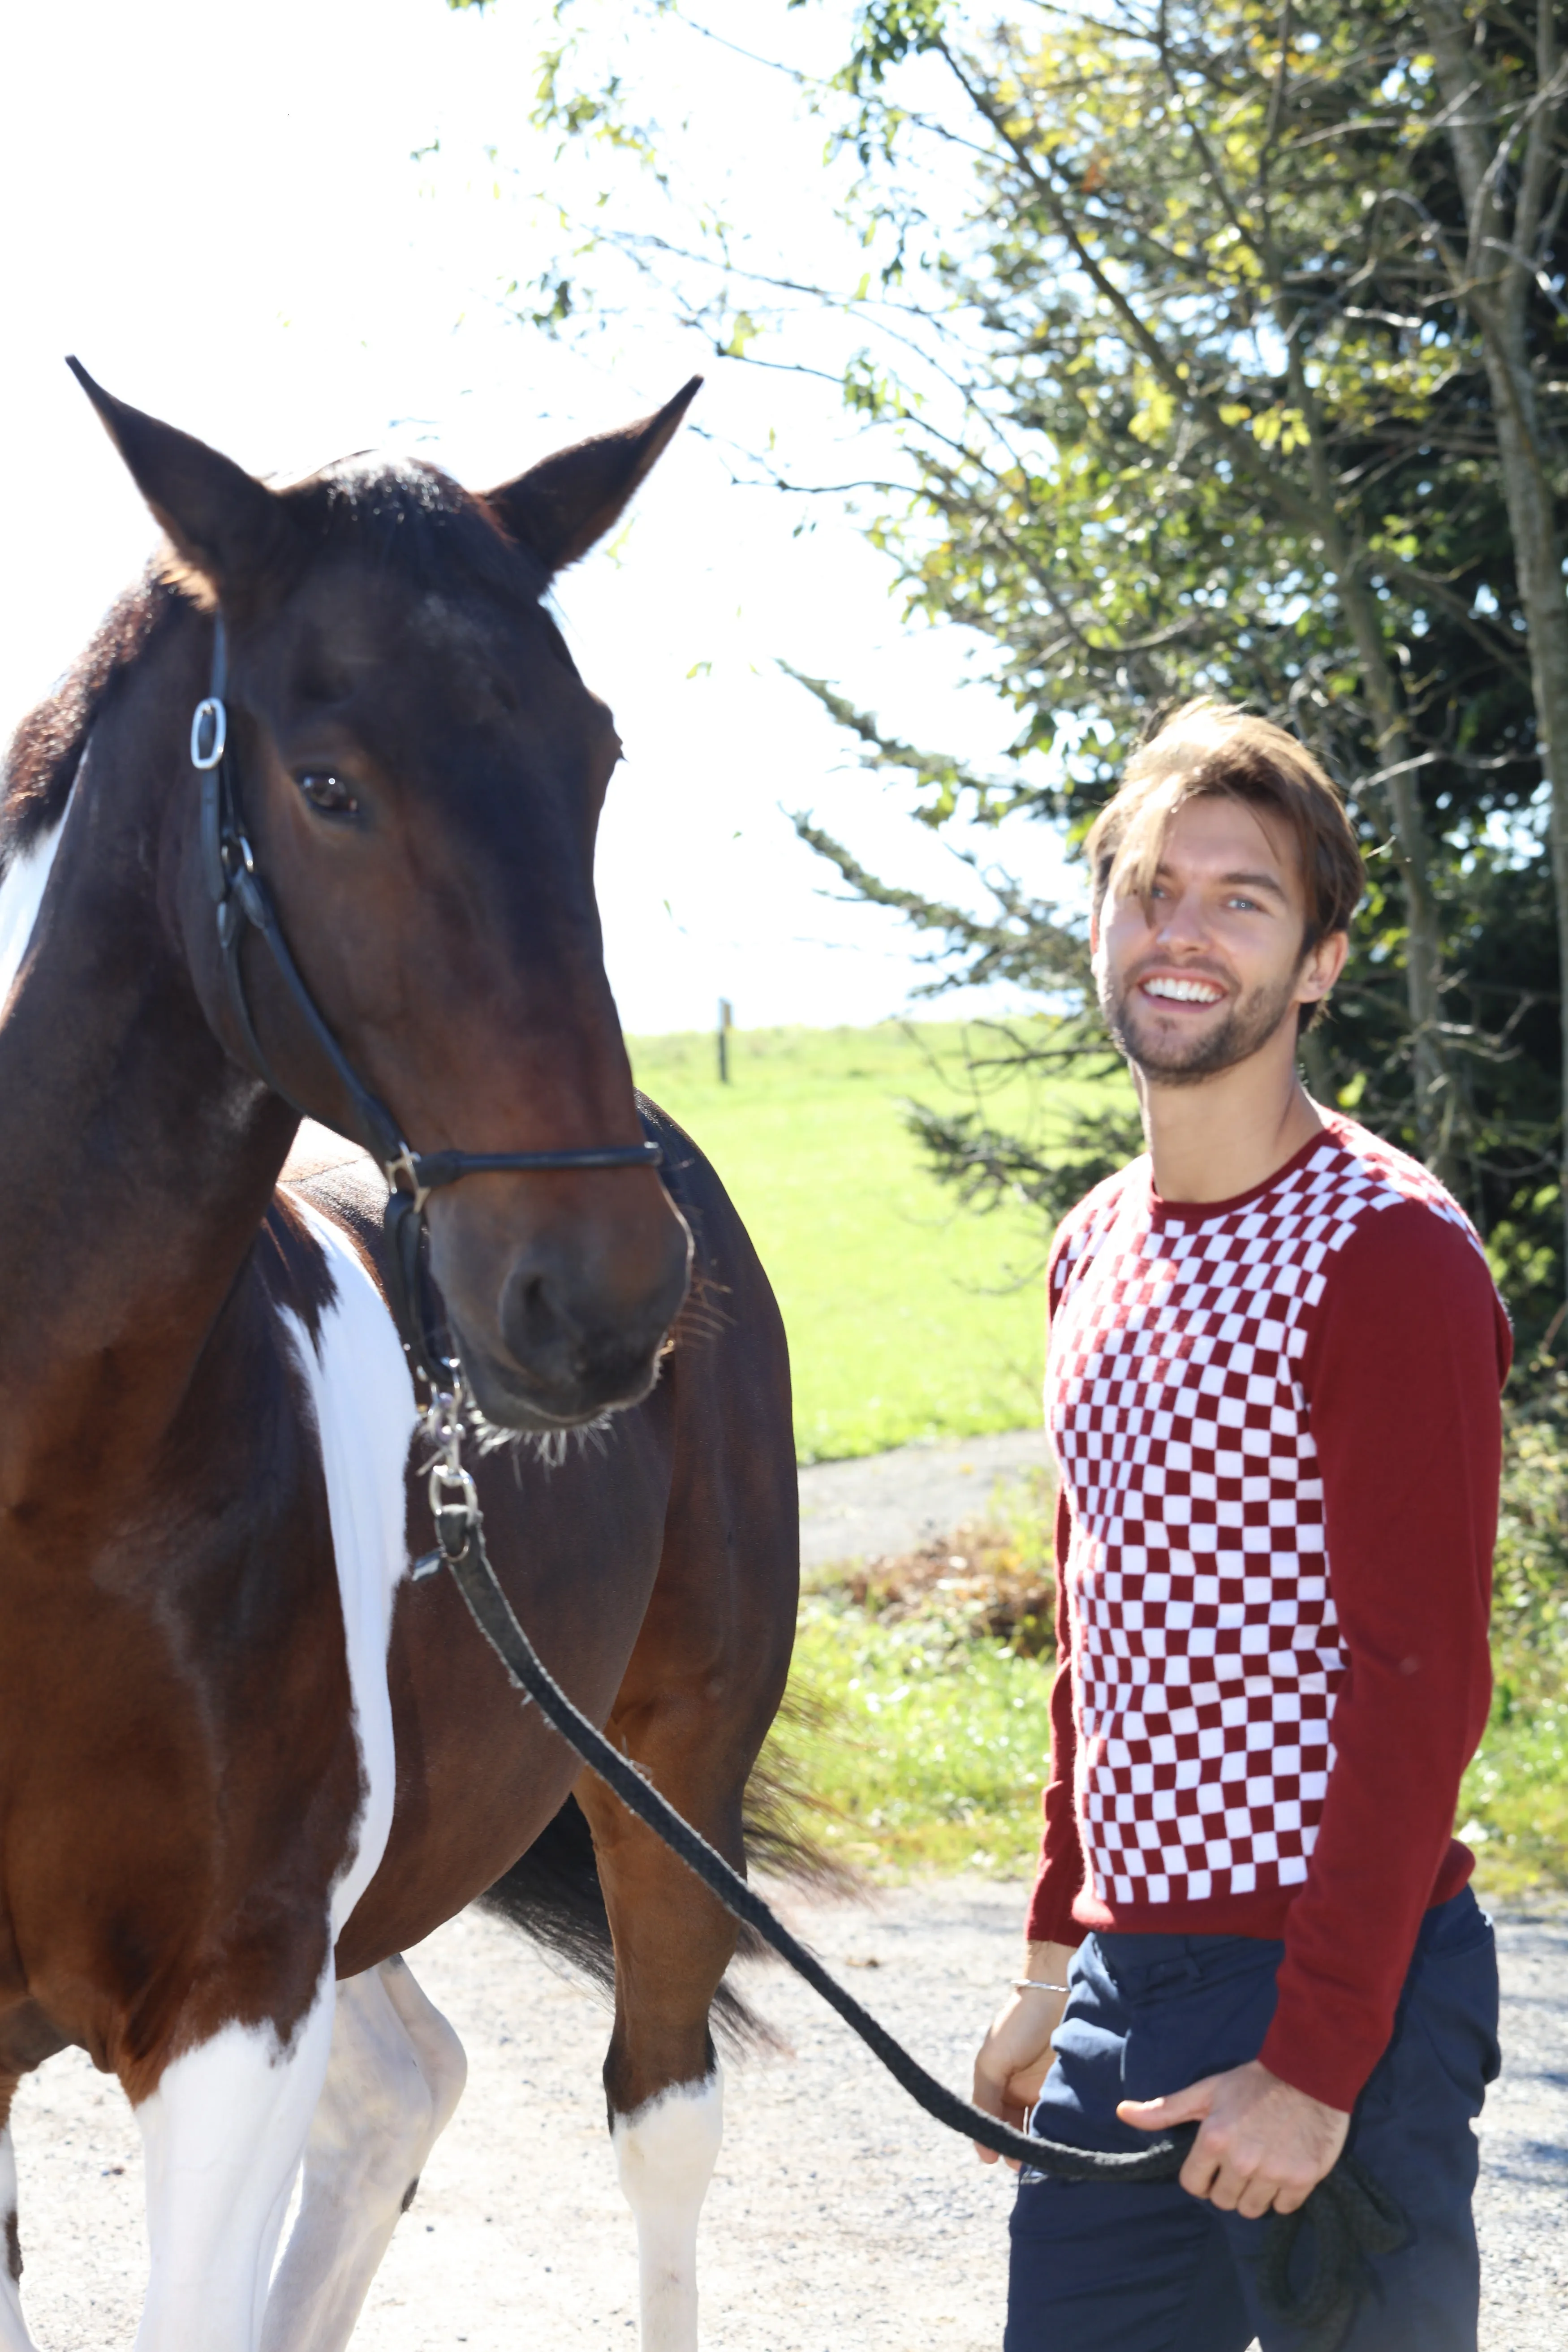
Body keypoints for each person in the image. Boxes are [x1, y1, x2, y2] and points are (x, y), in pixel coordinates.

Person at [974, 702, 1510, 2352]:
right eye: (1148, 889)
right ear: (1098, 927)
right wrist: (1054, 1957)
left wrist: (1314, 2057)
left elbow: (1417, 1679)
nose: (1179, 933)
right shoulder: (1094, 1247)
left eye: (1239, 898)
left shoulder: (1385, 1253)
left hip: (1335, 1988)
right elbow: (1101, 1639)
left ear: (1322, 962)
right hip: (1126, 1991)